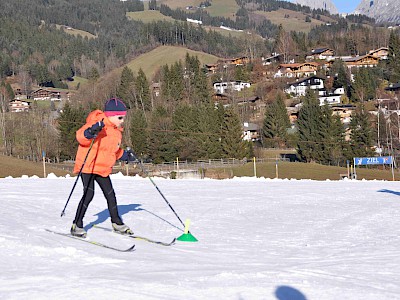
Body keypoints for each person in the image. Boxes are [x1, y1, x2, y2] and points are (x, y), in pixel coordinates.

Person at [71, 97, 136, 238]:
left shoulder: (116, 132)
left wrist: (126, 155)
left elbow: (113, 151)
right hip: (88, 165)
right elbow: (80, 136)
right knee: (89, 194)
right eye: (120, 117)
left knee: (110, 195)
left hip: (102, 167)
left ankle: (117, 223)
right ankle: (77, 224)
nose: (122, 120)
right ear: (111, 116)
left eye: (123, 117)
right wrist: (91, 132)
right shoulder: (96, 123)